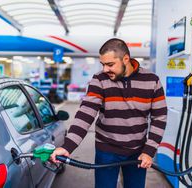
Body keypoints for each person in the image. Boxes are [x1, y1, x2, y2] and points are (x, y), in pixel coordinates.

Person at [50, 38, 167, 188]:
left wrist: (149, 150)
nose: (105, 69)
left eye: (110, 64)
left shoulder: (152, 80)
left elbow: (160, 117)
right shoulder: (99, 79)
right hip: (106, 149)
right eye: (103, 64)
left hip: (138, 151)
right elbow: (86, 113)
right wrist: (67, 146)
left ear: (125, 59)